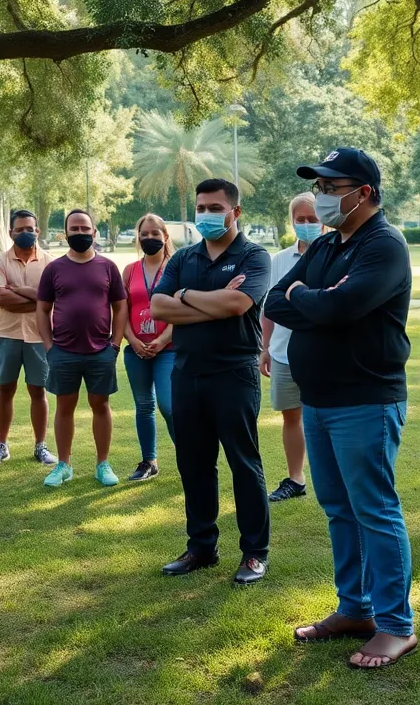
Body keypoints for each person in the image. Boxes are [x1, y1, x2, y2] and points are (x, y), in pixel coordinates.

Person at [265, 147, 417, 669]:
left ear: (364, 193)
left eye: (332, 188)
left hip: (365, 401)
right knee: (339, 510)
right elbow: (274, 299)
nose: (324, 196)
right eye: (321, 187)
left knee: (375, 511)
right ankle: (355, 609)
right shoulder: (329, 246)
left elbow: (338, 306)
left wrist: (313, 299)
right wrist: (316, 298)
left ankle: (396, 625)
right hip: (320, 401)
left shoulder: (384, 246)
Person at [151, 178, 272, 584]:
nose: (206, 215)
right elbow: (158, 308)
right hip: (186, 373)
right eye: (201, 208)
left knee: (243, 463)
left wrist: (185, 297)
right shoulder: (183, 258)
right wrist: (208, 301)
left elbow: (239, 303)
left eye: (214, 208)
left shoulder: (254, 256)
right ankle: (201, 547)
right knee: (194, 464)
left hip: (233, 374)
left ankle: (255, 553)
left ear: (235, 212)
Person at [36, 209, 127, 487]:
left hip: (101, 351)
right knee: (65, 406)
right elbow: (42, 309)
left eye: (84, 228)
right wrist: (50, 346)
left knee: (100, 405)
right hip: (63, 351)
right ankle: (64, 465)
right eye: (73, 229)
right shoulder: (53, 269)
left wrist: (115, 344)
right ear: (65, 234)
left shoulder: (108, 267)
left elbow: (120, 306)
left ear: (94, 232)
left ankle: (103, 465)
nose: (80, 233)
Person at [260, 192, 320, 502]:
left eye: (313, 219)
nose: (307, 224)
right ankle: (296, 478)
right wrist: (265, 347)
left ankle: (330, 478)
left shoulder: (334, 255)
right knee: (291, 416)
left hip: (324, 353)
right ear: (292, 221)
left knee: (326, 416)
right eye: (301, 220)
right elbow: (268, 307)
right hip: (283, 354)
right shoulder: (279, 260)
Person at [0, 209, 58, 466]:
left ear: (38, 231)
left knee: (38, 391)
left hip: (40, 336)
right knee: (5, 389)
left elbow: (55, 299)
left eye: (30, 229)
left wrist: (21, 294)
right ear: (10, 233)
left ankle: (40, 446)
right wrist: (38, 300)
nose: (25, 233)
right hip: (7, 334)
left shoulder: (51, 262)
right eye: (20, 229)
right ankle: (1, 445)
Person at [121, 214, 176, 481]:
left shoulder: (176, 266)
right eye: (145, 234)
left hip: (168, 348)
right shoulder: (130, 270)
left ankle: (189, 456)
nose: (150, 238)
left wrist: (163, 339)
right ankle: (148, 461)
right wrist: (132, 340)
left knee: (169, 406)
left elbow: (182, 308)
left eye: (155, 234)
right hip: (136, 350)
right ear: (138, 237)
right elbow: (121, 311)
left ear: (165, 237)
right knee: (144, 406)